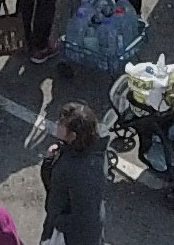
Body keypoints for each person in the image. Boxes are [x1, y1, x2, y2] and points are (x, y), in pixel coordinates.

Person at [37, 102, 108, 245]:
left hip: (70, 237)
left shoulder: (79, 170)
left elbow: (85, 216)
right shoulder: (88, 152)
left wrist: (57, 220)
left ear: (73, 136)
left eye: (61, 124)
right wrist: (50, 160)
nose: (57, 124)